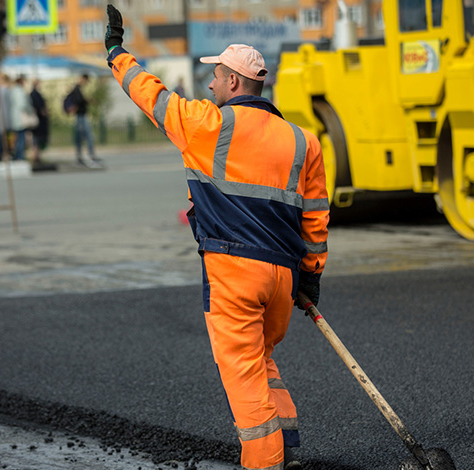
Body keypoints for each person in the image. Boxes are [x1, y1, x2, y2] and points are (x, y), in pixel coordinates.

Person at [104, 5, 329, 470]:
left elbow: (151, 95)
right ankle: (287, 452)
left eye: (216, 76)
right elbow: (315, 218)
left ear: (233, 83)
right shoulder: (304, 142)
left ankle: (265, 465)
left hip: (234, 275)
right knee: (262, 363)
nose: (209, 84)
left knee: (244, 378)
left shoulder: (209, 125)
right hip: (283, 280)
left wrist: (116, 53)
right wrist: (311, 277)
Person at [65, 74, 102, 168]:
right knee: (88, 136)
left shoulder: (76, 89)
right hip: (81, 116)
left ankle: (80, 155)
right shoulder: (77, 89)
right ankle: (90, 155)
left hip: (80, 115)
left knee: (80, 137)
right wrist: (88, 101)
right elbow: (79, 100)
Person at [8, 76, 34, 161]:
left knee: (17, 138)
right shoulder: (20, 91)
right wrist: (30, 111)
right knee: (21, 138)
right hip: (21, 118)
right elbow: (22, 105)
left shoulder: (12, 91)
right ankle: (20, 156)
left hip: (15, 118)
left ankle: (17, 155)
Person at [30, 79, 50, 164]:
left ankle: (36, 155)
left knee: (36, 138)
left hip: (38, 120)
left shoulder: (34, 94)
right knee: (36, 138)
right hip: (38, 120)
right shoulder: (35, 95)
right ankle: (35, 156)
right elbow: (39, 107)